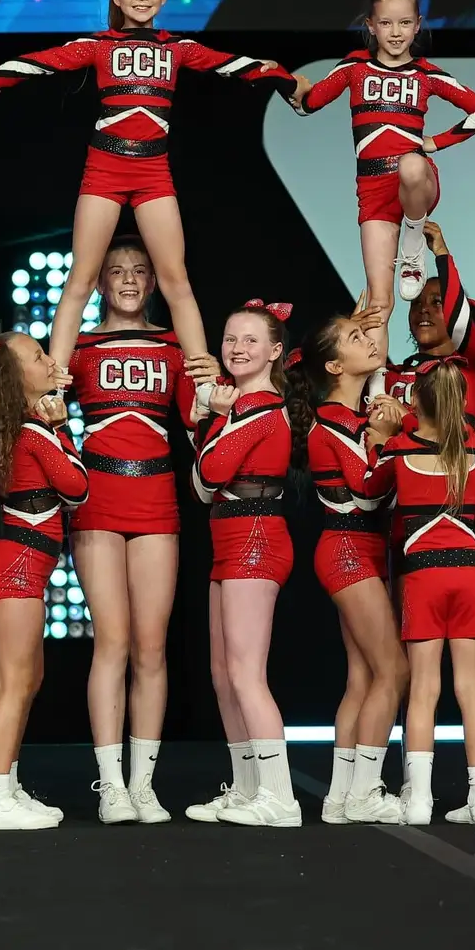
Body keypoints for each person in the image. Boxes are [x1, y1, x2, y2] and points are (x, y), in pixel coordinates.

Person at [0, 0, 304, 396]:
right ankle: (53, 385)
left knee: (176, 280)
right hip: (104, 172)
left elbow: (237, 65)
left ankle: (203, 387)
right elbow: (35, 65)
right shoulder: (97, 46)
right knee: (80, 278)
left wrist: (290, 82)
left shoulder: (179, 49)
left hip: (154, 174)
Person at [63, 239, 187, 823]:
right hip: (99, 499)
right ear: (100, 282)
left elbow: (201, 416)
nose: (130, 280)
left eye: (140, 270)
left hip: (157, 498)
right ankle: (110, 785)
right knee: (110, 640)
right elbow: (45, 397)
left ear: (156, 281)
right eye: (116, 271)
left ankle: (144, 784)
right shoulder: (79, 347)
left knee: (151, 646)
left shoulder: (176, 344)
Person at [288, 0, 475, 308]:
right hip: (373, 190)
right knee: (378, 303)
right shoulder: (354, 67)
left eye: (404, 23)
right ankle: (377, 362)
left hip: (416, 184)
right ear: (370, 25)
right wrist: (288, 84)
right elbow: (309, 104)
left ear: (417, 24)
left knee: (412, 163)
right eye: (386, 23)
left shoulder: (427, 74)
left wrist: (435, 143)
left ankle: (413, 247)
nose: (396, 32)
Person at [284, 303, 407, 824]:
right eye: (356, 338)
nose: (369, 341)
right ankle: (364, 792)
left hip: (361, 551)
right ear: (333, 366)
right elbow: (368, 492)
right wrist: (386, 442)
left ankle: (340, 795)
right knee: (393, 670)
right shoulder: (330, 424)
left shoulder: (353, 415)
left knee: (362, 678)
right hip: (348, 549)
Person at [183, 301, 299, 828]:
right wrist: (214, 420)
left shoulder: (262, 408)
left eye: (251, 340)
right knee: (223, 675)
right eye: (230, 338)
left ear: (275, 351)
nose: (237, 348)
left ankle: (280, 798)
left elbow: (208, 473)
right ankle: (247, 788)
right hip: (229, 542)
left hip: (256, 540)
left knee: (246, 674)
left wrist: (217, 415)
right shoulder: (239, 411)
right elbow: (205, 486)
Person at [0, 325, 90, 830]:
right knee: (14, 683)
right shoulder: (36, 431)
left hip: (20, 568)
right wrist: (62, 428)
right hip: (15, 569)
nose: (49, 361)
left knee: (29, 679)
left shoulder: (14, 426)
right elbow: (77, 488)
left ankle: (9, 787)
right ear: (14, 376)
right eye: (38, 356)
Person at [370, 357, 475, 825]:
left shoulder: (399, 451)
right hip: (468, 573)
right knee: (471, 688)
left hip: (422, 575)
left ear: (414, 403)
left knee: (423, 689)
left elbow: (370, 489)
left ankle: (418, 800)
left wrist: (381, 436)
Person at [378, 220, 475, 419]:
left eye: (436, 302)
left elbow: (458, 318)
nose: (423, 310)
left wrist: (441, 253)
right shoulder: (391, 376)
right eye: (416, 303)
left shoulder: (473, 368)